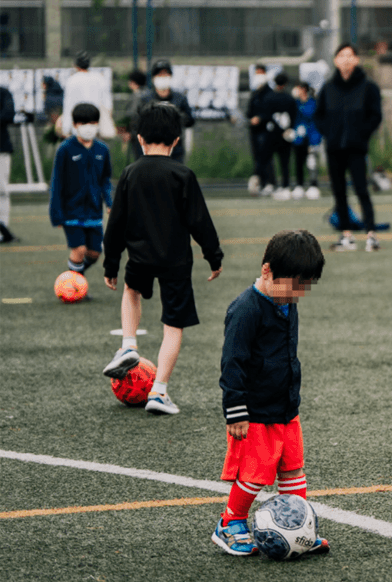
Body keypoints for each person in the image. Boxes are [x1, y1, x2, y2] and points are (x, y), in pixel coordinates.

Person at [212, 229, 331, 558]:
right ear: (267, 271)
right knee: (253, 476)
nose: (297, 294)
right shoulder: (246, 310)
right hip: (256, 413)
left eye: (303, 287)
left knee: (293, 471)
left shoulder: (286, 303)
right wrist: (235, 407)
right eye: (293, 285)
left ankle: (299, 529)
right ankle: (230, 522)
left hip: (286, 409)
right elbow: (232, 361)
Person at [101, 103, 223, 415]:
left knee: (131, 292)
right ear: (177, 141)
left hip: (139, 257)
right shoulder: (183, 174)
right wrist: (214, 256)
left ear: (139, 139)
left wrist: (111, 263)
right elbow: (200, 221)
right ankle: (159, 391)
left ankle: (129, 344)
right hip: (176, 262)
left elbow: (116, 223)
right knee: (173, 325)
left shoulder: (130, 173)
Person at [314, 43, 383, 252]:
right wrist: (330, 133)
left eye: (349, 55)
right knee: (339, 192)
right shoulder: (328, 87)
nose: (345, 59)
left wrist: (362, 133)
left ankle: (371, 235)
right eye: (341, 55)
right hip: (334, 148)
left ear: (356, 60)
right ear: (335, 60)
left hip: (356, 148)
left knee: (362, 190)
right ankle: (346, 236)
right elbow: (319, 115)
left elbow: (375, 115)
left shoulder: (368, 87)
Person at [49, 103, 112, 277]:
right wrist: (57, 214)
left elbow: (106, 180)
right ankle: (74, 286)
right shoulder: (65, 149)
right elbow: (57, 183)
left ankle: (73, 277)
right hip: (71, 212)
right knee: (79, 250)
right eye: (84, 123)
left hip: (94, 212)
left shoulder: (102, 149)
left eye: (92, 123)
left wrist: (110, 202)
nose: (88, 128)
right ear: (76, 125)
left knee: (94, 253)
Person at [131, 60, 195, 162]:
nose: (163, 77)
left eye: (165, 74)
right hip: (150, 151)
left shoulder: (180, 98)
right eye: (159, 74)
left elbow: (190, 120)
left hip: (174, 151)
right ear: (153, 78)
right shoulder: (144, 99)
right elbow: (136, 123)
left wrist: (173, 117)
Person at [259, 72, 299, 198]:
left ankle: (269, 184)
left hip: (271, 134)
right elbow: (294, 116)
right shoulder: (289, 98)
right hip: (286, 135)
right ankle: (285, 186)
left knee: (266, 160)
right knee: (285, 162)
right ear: (286, 83)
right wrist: (288, 130)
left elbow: (265, 116)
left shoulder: (268, 97)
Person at [60, 52, 116, 140]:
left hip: (78, 126)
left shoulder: (72, 80)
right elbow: (107, 104)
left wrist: (66, 128)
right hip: (96, 124)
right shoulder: (100, 78)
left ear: (76, 65)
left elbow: (68, 105)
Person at [290, 81, 321, 199]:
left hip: (311, 137)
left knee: (311, 162)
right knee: (298, 161)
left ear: (303, 90)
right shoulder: (295, 103)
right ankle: (299, 185)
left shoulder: (312, 103)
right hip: (298, 138)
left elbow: (313, 119)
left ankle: (314, 185)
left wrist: (315, 140)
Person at [246, 64, 272, 195]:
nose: (258, 76)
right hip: (254, 130)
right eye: (257, 73)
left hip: (266, 130)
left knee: (266, 157)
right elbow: (249, 111)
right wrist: (251, 118)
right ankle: (260, 182)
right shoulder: (255, 93)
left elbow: (270, 111)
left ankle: (269, 182)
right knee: (257, 157)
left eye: (261, 73)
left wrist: (261, 118)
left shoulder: (269, 93)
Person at [0, 83, 15, 243]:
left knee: (2, 189)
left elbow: (8, 114)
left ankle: (3, 229)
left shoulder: (4, 92)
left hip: (1, 149)